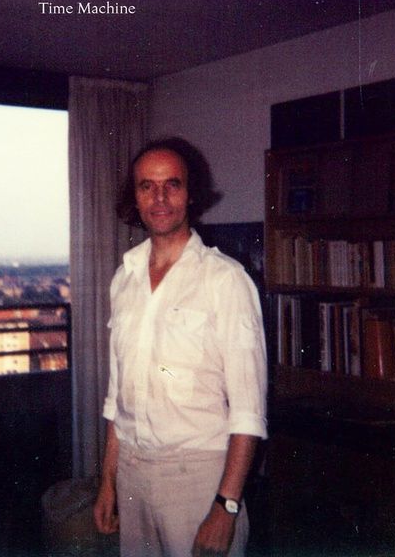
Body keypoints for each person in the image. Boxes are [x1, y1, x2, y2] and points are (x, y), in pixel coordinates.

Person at [93, 137, 268, 557]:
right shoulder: (124, 279)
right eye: (146, 186)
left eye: (172, 184)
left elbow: (248, 409)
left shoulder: (225, 281)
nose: (159, 198)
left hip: (199, 480)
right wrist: (108, 482)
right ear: (134, 197)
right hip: (132, 475)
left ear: (191, 194)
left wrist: (226, 505)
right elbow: (118, 397)